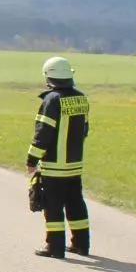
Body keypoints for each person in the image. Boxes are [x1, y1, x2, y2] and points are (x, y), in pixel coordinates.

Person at [27, 56, 90, 258]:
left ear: (48, 76)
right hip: (75, 164)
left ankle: (54, 247)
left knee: (53, 206)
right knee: (76, 203)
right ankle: (81, 244)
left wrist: (32, 159)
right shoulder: (81, 98)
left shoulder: (51, 100)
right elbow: (85, 130)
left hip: (54, 166)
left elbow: (43, 132)